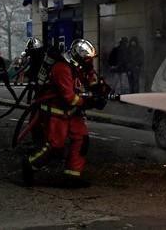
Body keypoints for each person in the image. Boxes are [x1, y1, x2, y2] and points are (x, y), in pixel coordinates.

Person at [22, 39, 106, 188]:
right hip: (56, 110)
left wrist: (98, 89)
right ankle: (30, 164)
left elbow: (91, 77)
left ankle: (71, 176)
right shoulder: (62, 67)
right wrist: (90, 102)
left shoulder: (81, 65)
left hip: (72, 111)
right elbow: (69, 97)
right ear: (78, 56)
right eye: (87, 59)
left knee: (82, 140)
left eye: (90, 59)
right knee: (55, 147)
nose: (89, 62)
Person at [24, 37, 45, 104]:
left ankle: (35, 100)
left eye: (30, 48)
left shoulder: (39, 56)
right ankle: (32, 100)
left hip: (37, 75)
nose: (28, 50)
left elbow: (35, 66)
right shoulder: (36, 55)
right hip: (34, 75)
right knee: (32, 88)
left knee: (35, 88)